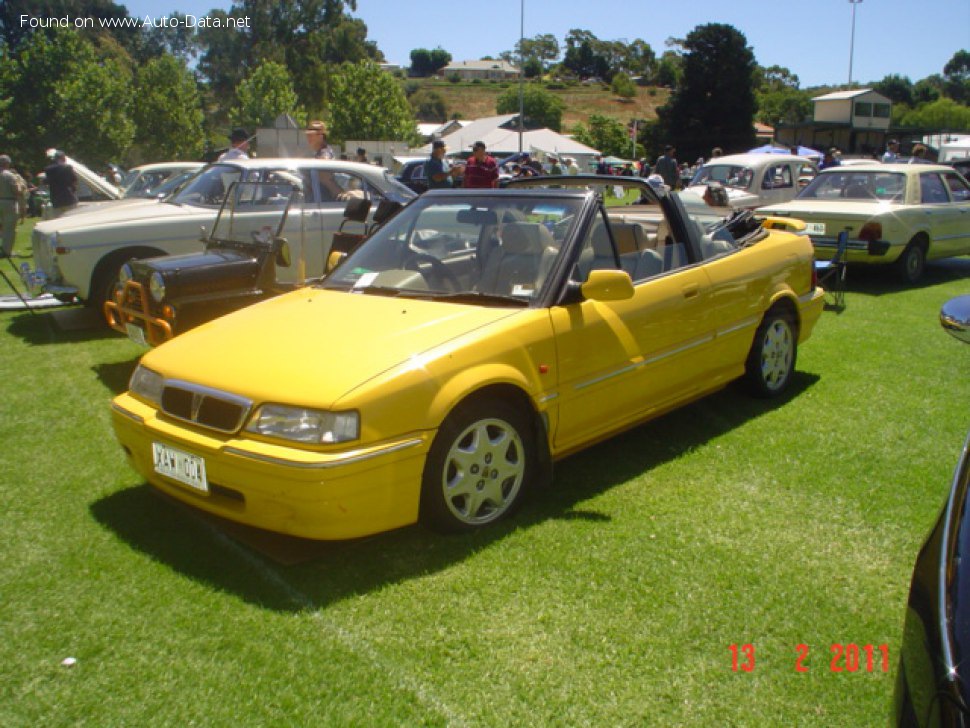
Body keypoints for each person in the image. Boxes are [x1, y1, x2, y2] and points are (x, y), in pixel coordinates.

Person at [0, 154, 27, 257]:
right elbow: (17, 191)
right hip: (8, 202)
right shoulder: (9, 175)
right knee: (9, 228)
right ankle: (6, 251)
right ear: (7, 164)